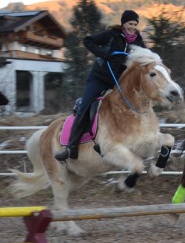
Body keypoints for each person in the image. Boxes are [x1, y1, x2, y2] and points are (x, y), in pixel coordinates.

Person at [55, 10, 147, 161]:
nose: (133, 27)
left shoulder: (138, 41)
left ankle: (123, 142)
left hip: (119, 82)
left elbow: (146, 56)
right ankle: (71, 148)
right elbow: (88, 41)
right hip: (99, 78)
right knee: (85, 107)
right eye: (130, 24)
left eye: (135, 24)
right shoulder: (111, 34)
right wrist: (104, 53)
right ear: (123, 23)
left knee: (129, 108)